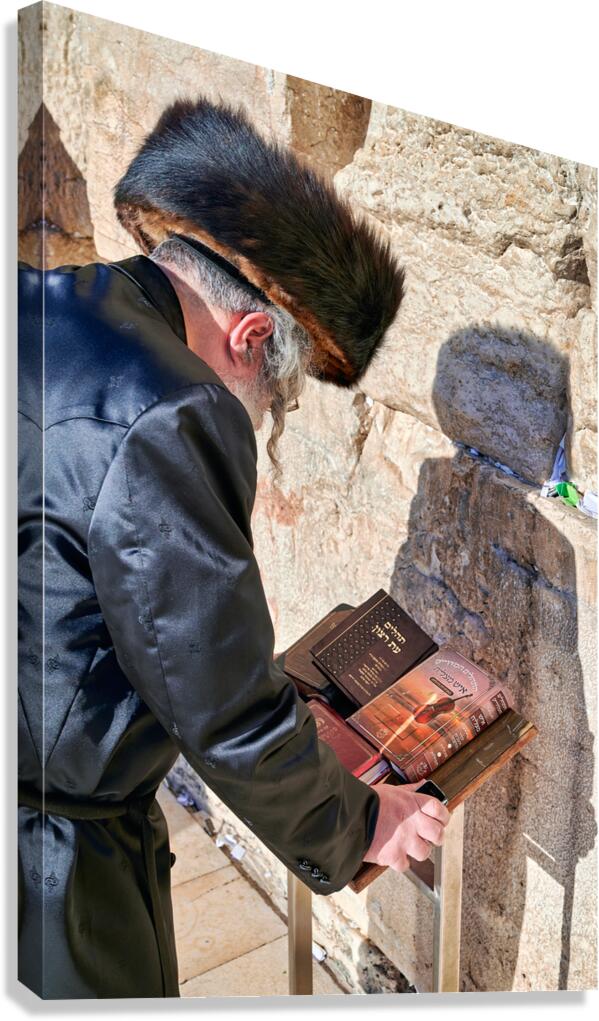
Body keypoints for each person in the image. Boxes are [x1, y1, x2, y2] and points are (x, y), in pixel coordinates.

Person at [17, 94, 450, 1000]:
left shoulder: (36, 302)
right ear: (250, 336)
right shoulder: (176, 407)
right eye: (279, 396)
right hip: (50, 870)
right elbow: (222, 702)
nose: (267, 414)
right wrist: (361, 824)